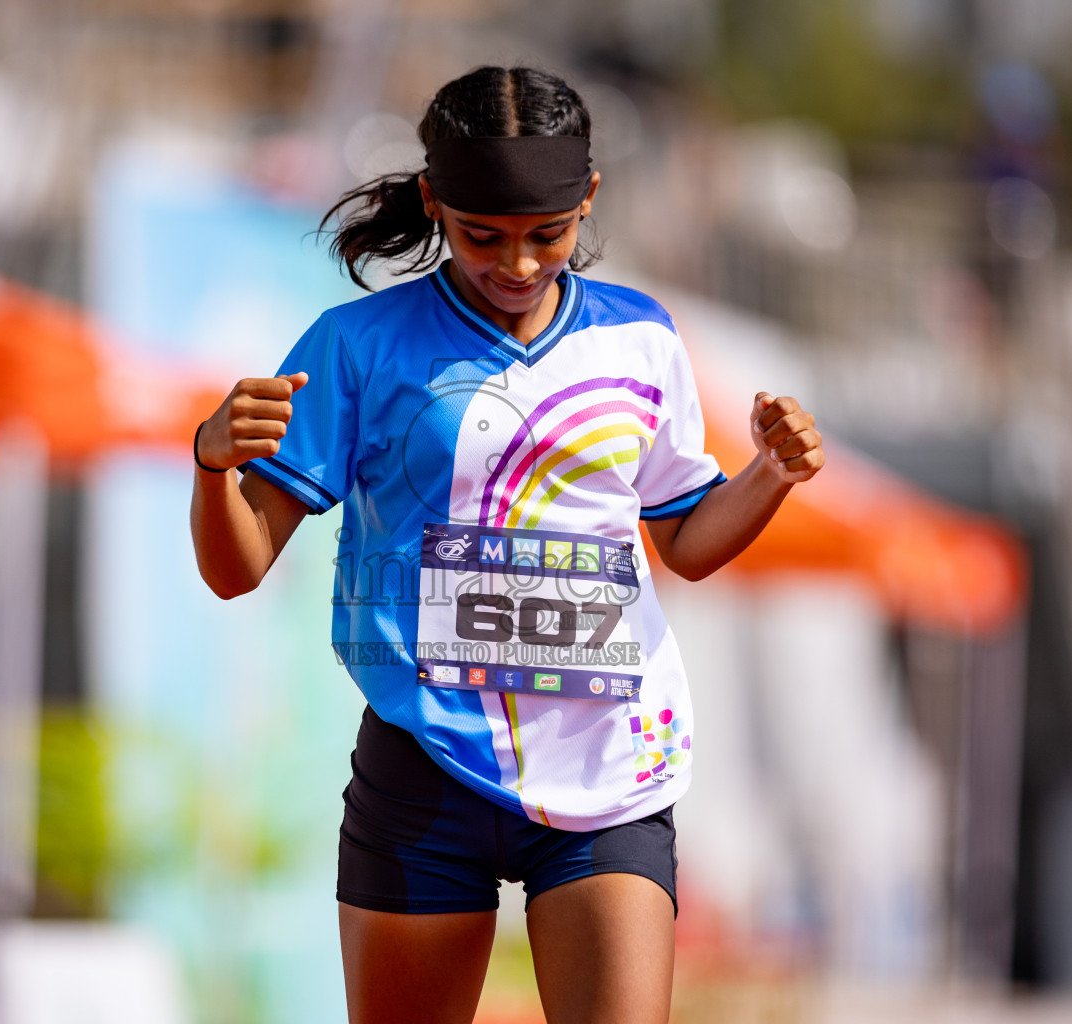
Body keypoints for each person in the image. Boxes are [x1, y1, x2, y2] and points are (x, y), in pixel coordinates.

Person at [190, 65, 824, 1024]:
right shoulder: (355, 345)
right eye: (484, 235)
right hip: (425, 768)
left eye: (549, 235)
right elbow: (236, 573)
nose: (518, 265)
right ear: (436, 202)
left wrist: (770, 475)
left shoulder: (644, 339)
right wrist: (209, 469)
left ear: (589, 202)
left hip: (610, 770)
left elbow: (687, 546)